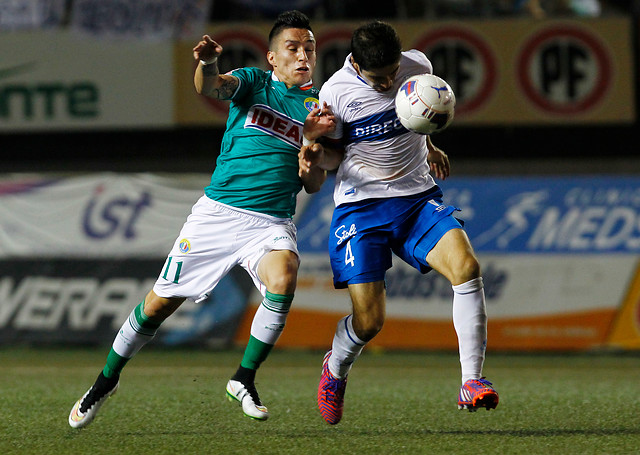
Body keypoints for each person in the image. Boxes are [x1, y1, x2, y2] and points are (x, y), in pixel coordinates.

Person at [69, 10, 334, 428]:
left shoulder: (320, 108)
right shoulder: (254, 83)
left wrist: (312, 158)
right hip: (218, 216)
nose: (303, 55)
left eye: (309, 48)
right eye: (293, 48)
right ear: (272, 56)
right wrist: (209, 62)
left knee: (284, 277)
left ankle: (243, 378)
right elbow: (212, 86)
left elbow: (316, 182)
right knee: (158, 305)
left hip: (270, 223)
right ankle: (105, 380)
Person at [298, 20, 499, 425]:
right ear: (355, 63)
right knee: (370, 321)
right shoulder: (335, 93)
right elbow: (336, 157)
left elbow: (415, 114)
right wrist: (315, 155)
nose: (390, 81)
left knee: (467, 267)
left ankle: (471, 381)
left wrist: (429, 142)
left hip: (416, 198)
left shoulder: (418, 65)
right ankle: (335, 366)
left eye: (394, 71)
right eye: (380, 77)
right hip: (361, 207)